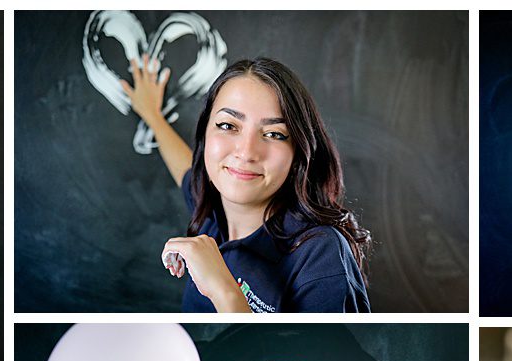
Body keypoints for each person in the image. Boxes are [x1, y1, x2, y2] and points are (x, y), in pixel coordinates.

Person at [123, 55, 371, 313]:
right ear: (205, 135)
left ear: (298, 152)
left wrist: (224, 291)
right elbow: (183, 167)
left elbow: (314, 354)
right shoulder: (210, 208)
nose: (246, 152)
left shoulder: (320, 254)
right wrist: (152, 116)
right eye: (228, 125)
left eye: (274, 134)